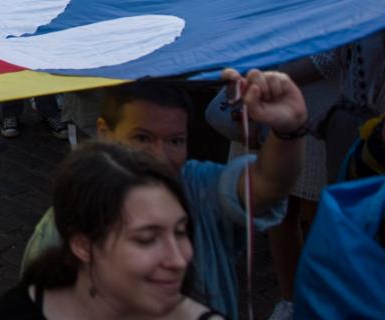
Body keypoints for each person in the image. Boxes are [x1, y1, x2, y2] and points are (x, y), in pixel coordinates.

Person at [21, 75, 306, 319]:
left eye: (175, 141)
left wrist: (287, 129)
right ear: (104, 132)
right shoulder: (60, 230)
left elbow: (266, 186)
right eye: (142, 138)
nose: (160, 156)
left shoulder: (198, 186)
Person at [0, 142, 222, 320]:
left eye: (180, 232)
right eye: (147, 239)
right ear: (83, 245)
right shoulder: (15, 313)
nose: (178, 260)